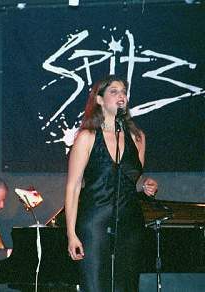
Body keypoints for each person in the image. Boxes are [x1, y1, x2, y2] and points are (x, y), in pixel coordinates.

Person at [64, 75, 158, 292]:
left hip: (129, 222)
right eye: (114, 91)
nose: (121, 96)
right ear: (99, 100)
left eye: (123, 91)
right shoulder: (87, 136)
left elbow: (133, 179)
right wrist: (71, 233)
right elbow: (73, 186)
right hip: (95, 222)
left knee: (126, 287)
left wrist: (144, 184)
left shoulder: (137, 137)